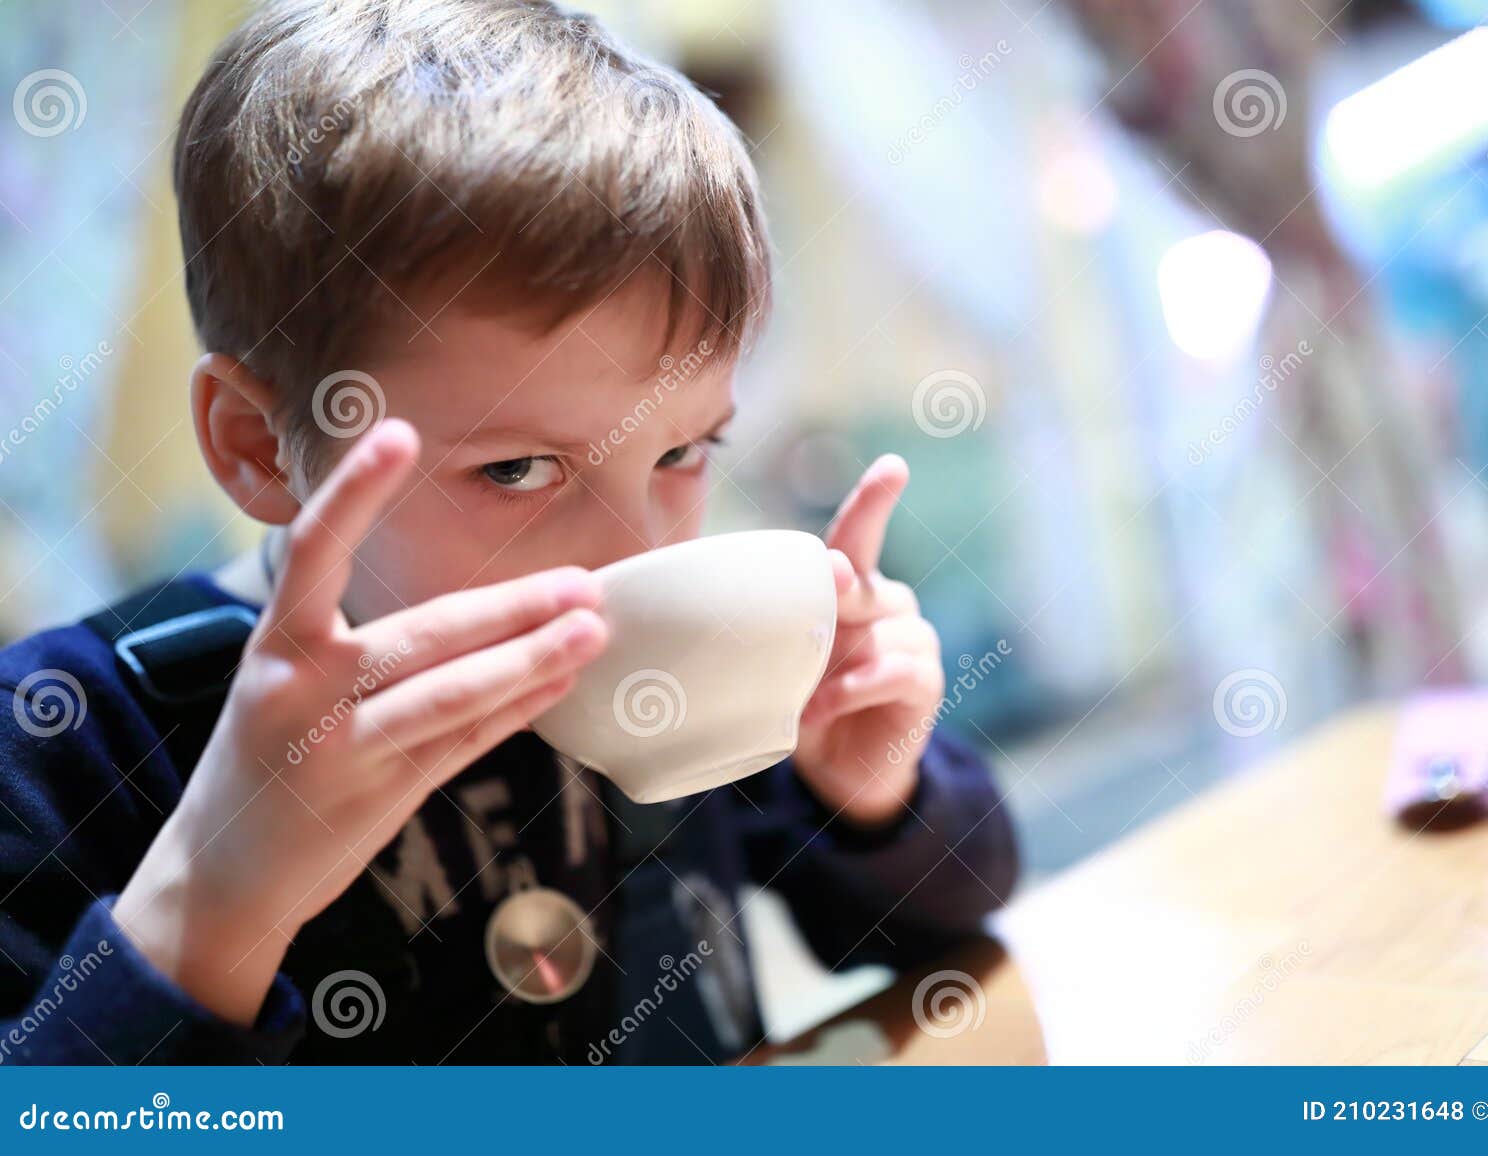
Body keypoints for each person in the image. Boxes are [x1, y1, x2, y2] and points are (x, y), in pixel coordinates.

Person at [0, 0, 1017, 1064]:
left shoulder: (683, 676)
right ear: (260, 445)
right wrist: (213, 904)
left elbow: (936, 931)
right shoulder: (74, 740)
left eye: (682, 452)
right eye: (517, 469)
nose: (638, 553)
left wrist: (869, 790)